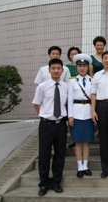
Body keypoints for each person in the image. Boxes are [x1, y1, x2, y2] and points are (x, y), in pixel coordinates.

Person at [32, 59, 68, 196]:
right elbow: (36, 104)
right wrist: (45, 115)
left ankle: (56, 182)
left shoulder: (65, 86)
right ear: (49, 70)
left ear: (62, 70)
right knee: (44, 154)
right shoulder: (42, 86)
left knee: (60, 155)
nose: (56, 71)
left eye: (58, 68)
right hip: (46, 124)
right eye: (53, 68)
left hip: (61, 125)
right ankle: (44, 183)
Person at [67, 54, 94, 178]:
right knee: (78, 142)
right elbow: (69, 100)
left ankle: (86, 166)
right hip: (76, 113)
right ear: (76, 67)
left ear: (88, 67)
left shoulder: (92, 81)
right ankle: (79, 166)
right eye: (80, 66)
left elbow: (95, 98)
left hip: (88, 113)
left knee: (87, 142)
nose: (82, 68)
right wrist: (70, 116)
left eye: (84, 66)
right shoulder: (71, 81)